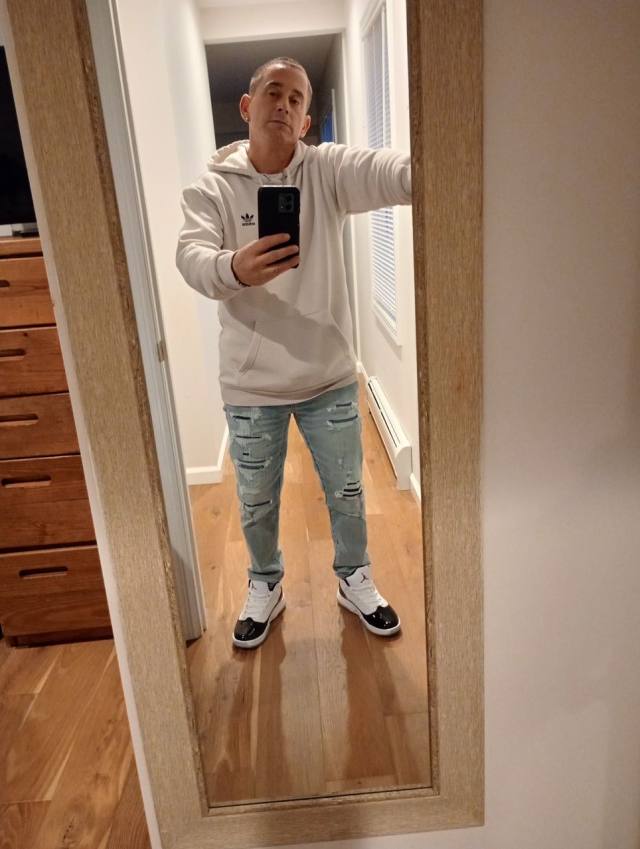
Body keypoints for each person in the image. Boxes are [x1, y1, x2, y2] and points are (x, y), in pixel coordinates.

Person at [176, 57, 412, 649]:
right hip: (251, 384)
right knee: (256, 501)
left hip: (328, 376)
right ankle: (265, 584)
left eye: (297, 99)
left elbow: (392, 172)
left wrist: (447, 158)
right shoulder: (211, 188)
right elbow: (190, 257)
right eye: (273, 93)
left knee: (349, 491)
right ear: (247, 106)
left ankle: (354, 578)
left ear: (306, 121)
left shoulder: (328, 171)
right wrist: (233, 267)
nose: (283, 105)